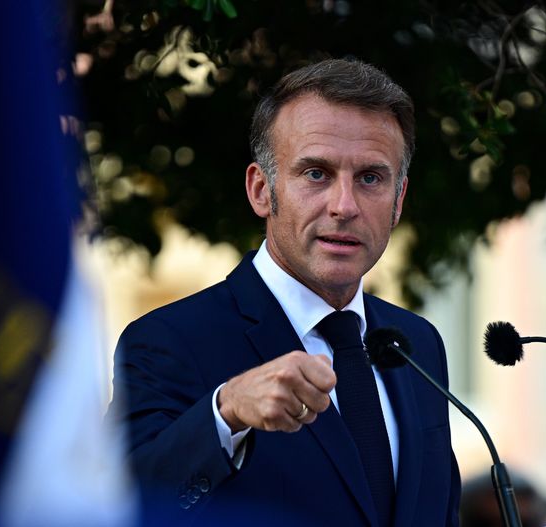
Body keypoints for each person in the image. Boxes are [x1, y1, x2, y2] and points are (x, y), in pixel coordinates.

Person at [108, 59, 461, 527]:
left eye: (371, 178)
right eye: (316, 173)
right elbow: (123, 506)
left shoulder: (417, 344)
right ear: (261, 190)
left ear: (398, 200)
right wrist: (226, 412)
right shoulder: (167, 341)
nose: (344, 206)